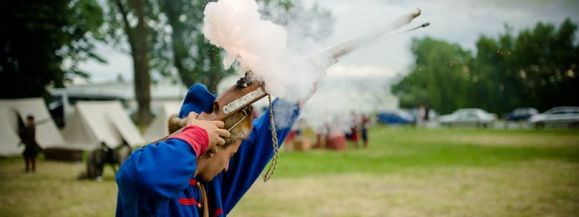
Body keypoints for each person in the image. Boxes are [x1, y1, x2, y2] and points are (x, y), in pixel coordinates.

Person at [115, 83, 300, 217]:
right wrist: (198, 136)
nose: (228, 166)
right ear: (213, 144)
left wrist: (301, 84)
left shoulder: (211, 185)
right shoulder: (157, 182)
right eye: (231, 155)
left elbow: (265, 133)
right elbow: (137, 176)